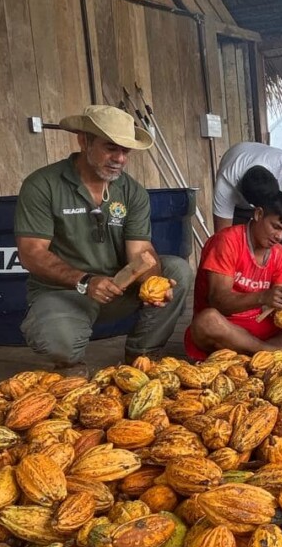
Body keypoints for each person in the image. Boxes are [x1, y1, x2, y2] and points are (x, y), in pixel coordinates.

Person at [15, 105, 192, 374]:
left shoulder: (132, 192)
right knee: (59, 342)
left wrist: (153, 281)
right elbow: (32, 253)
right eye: (111, 148)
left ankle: (141, 356)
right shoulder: (43, 184)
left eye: (126, 151)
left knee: (176, 270)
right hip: (65, 292)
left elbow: (140, 251)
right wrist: (85, 281)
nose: (119, 158)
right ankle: (69, 364)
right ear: (84, 141)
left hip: (117, 286)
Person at [184, 192, 282, 356]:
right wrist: (262, 297)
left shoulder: (280, 254)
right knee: (207, 321)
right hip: (227, 326)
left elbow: (276, 307)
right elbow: (218, 301)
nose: (279, 236)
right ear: (258, 214)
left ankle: (257, 352)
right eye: (275, 227)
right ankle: (271, 351)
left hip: (259, 324)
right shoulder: (226, 242)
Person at [212, 141, 282, 230]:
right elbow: (223, 235)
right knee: (238, 239)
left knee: (276, 232)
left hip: (251, 155)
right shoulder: (225, 187)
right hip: (239, 208)